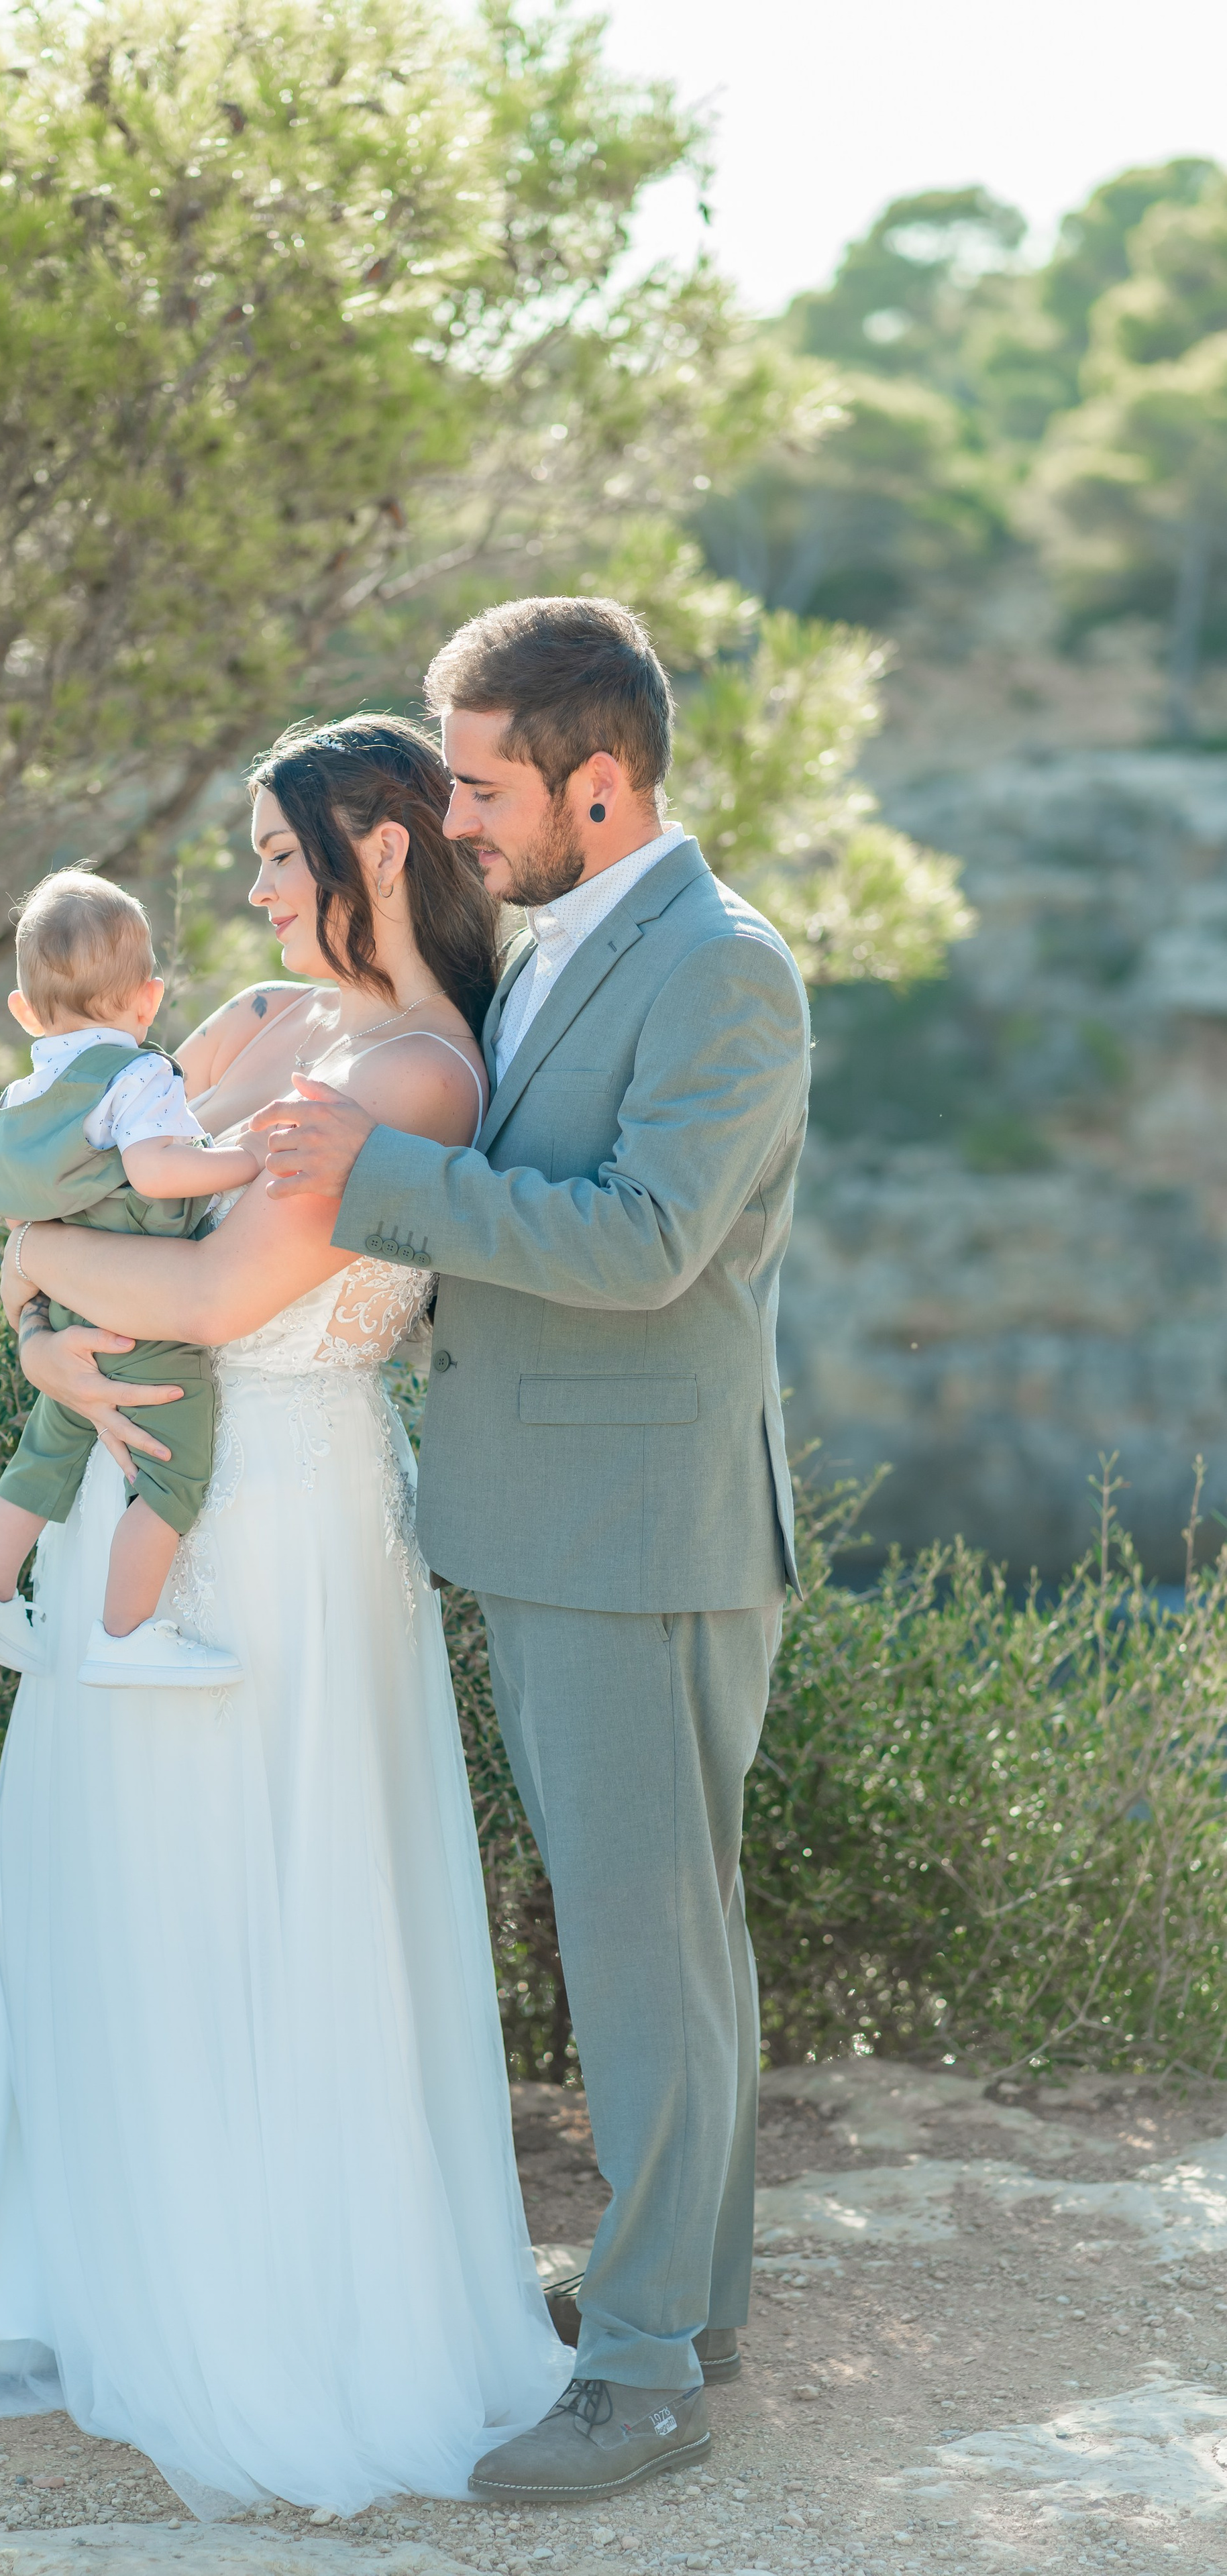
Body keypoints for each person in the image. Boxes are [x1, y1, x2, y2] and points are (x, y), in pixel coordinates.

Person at [0, 715, 570, 2516]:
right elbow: (98, 1178)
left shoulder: (420, 1071)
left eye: (279, 852)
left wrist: (44, 1275)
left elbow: (205, 1290)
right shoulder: (269, 1028)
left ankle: (277, 2312)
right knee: (100, 1877)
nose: (252, 883)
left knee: (262, 1890)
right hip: (147, 1484)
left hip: (279, 1524)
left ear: (369, 850)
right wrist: (45, 1321)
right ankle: (130, 2276)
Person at [250, 598, 811, 2501]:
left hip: (641, 1531)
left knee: (644, 1953)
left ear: (602, 776)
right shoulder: (581, 941)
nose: (461, 817)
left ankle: (647, 2373)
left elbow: (648, 1241)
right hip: (566, 1512)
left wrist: (373, 1181)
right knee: (673, 1938)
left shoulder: (723, 966)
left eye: (483, 786)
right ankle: (691, 2301)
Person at [0, 869, 260, 1690]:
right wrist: (243, 1162)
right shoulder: (138, 1075)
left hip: (69, 1316)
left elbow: (20, 1215)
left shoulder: (23, 1095)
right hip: (141, 1316)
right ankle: (127, 1629)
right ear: (148, 1001)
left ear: (23, 1011)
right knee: (172, 1473)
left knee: (46, 1450)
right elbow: (154, 1173)